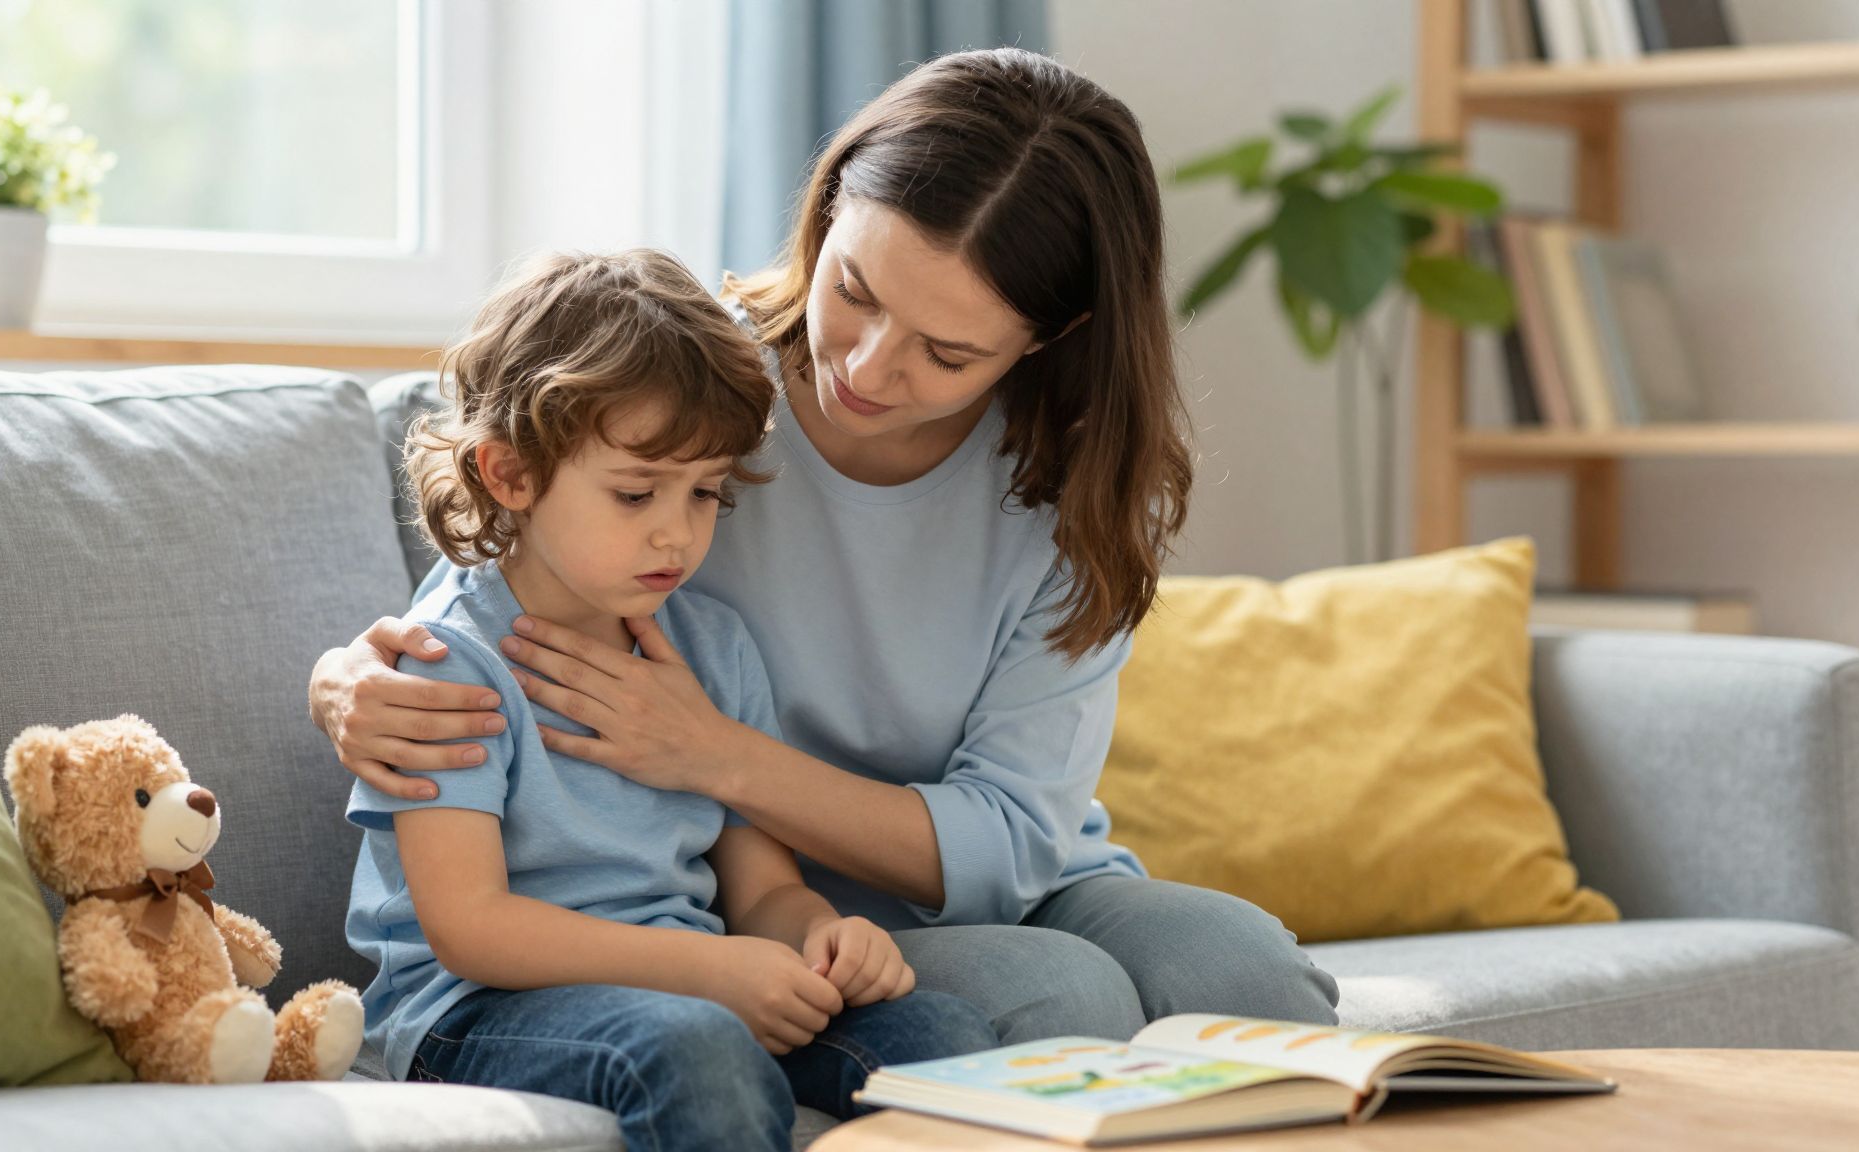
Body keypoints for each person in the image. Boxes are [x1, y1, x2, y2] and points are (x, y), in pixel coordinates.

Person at [316, 48, 1339, 1046]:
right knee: (1058, 999)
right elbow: (497, 571)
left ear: (1049, 335)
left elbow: (1012, 845)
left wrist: (717, 754)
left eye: (947, 352)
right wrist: (342, 681)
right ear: (828, 206)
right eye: (854, 288)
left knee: (1246, 975)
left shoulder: (1072, 491)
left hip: (1003, 885)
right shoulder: (693, 393)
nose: (865, 365)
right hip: (758, 908)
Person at [344, 248, 996, 1150]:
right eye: (635, 492)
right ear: (511, 476)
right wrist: (707, 970)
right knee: (697, 1048)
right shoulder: (448, 660)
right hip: (476, 1012)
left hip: (692, 990)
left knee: (943, 1042)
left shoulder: (712, 647)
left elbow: (762, 887)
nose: (676, 532)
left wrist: (822, 936)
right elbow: (471, 929)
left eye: (704, 494)